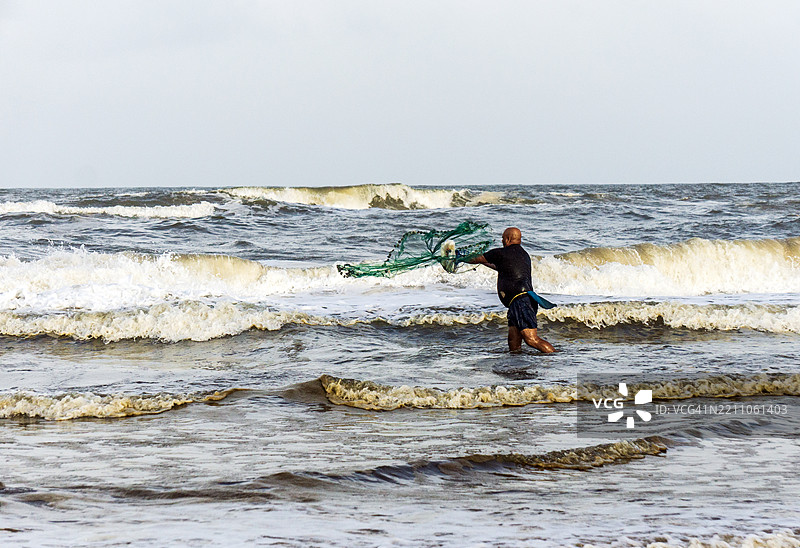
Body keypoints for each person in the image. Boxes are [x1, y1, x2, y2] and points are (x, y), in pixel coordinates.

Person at [469, 227, 555, 353]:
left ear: (508, 239)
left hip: (522, 302)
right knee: (513, 341)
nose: (502, 241)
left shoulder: (502, 253)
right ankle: (516, 363)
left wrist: (459, 258)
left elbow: (476, 258)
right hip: (521, 301)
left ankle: (555, 357)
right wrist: (483, 262)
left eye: (503, 238)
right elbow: (500, 266)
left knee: (531, 339)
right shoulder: (523, 255)